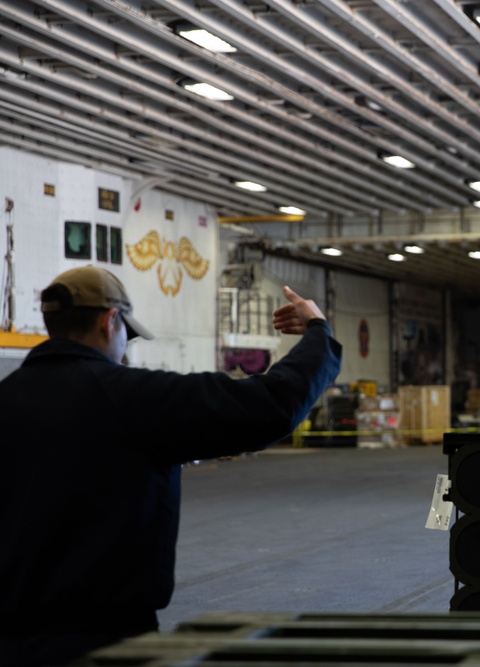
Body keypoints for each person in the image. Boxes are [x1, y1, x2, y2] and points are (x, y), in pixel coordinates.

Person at [0, 266, 342, 667]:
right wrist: (318, 330)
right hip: (106, 648)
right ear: (110, 321)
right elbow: (268, 405)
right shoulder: (133, 401)